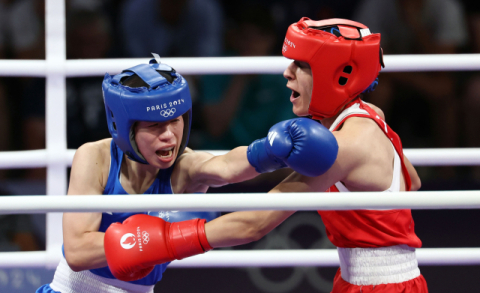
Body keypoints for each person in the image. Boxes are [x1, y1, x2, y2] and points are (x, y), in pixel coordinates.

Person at [105, 19, 426, 293]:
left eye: (301, 65)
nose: (287, 73)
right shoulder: (368, 115)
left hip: (384, 285)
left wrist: (165, 241)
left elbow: (255, 223)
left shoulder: (345, 146)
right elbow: (411, 180)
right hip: (360, 279)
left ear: (339, 74)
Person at [35, 54, 338, 292]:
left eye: (176, 121)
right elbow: (76, 251)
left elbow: (227, 167)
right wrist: (154, 241)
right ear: (124, 128)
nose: (170, 136)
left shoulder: (184, 167)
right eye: (155, 126)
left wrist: (270, 150)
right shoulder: (96, 157)